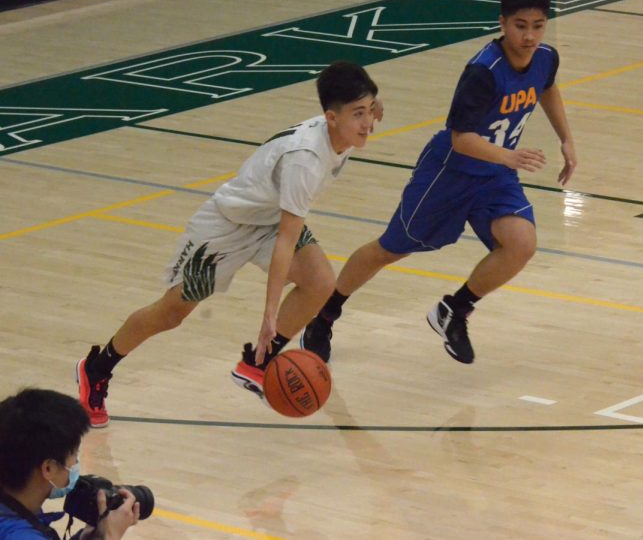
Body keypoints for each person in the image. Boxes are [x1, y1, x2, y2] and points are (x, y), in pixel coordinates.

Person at [76, 61, 382, 427]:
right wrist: (270, 316)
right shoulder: (307, 160)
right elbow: (287, 241)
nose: (368, 123)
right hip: (226, 227)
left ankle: (256, 364)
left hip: (267, 220)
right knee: (171, 313)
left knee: (320, 282)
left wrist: (373, 103)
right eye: (358, 114)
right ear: (331, 117)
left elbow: (283, 231)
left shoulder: (345, 132)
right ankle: (97, 368)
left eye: (370, 111)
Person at [299, 0, 577, 365]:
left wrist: (566, 138)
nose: (529, 36)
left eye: (538, 25)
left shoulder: (546, 57)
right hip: (451, 171)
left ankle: (455, 311)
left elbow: (546, 87)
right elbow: (461, 139)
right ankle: (324, 316)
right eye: (520, 25)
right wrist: (509, 158)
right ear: (502, 23)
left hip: (495, 174)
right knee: (389, 249)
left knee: (521, 243)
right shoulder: (484, 71)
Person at [0, 388, 139, 539]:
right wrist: (111, 535)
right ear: (49, 468)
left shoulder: (17, 507)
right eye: (73, 454)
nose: (75, 463)